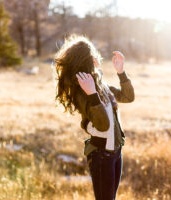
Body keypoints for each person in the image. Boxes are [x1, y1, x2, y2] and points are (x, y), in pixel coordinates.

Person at [54, 35, 135, 200]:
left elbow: (128, 97)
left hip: (115, 151)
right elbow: (103, 125)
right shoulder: (83, 91)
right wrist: (91, 94)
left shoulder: (99, 83)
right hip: (101, 154)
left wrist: (121, 72)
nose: (96, 55)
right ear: (86, 59)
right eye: (92, 53)